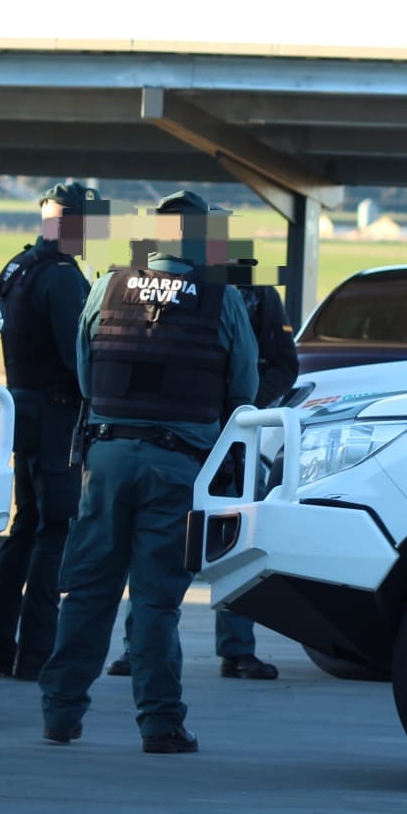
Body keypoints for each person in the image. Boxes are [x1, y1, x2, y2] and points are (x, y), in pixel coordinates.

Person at [36, 190, 259, 752]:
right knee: (156, 600)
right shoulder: (220, 299)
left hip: (107, 458)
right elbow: (244, 390)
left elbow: (87, 375)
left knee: (87, 592)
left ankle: (60, 714)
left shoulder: (107, 286)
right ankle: (160, 724)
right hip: (177, 466)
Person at [105, 239, 298, 680]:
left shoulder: (251, 287)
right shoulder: (151, 281)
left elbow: (283, 364)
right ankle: (138, 648)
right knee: (153, 544)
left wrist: (240, 414)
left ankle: (237, 649)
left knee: (236, 542)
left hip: (231, 438)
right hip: (173, 436)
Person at [0, 181, 99, 681]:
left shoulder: (19, 267)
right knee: (55, 530)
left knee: (25, 529)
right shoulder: (61, 278)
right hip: (55, 418)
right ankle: (36, 654)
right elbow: (77, 356)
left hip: (23, 412)